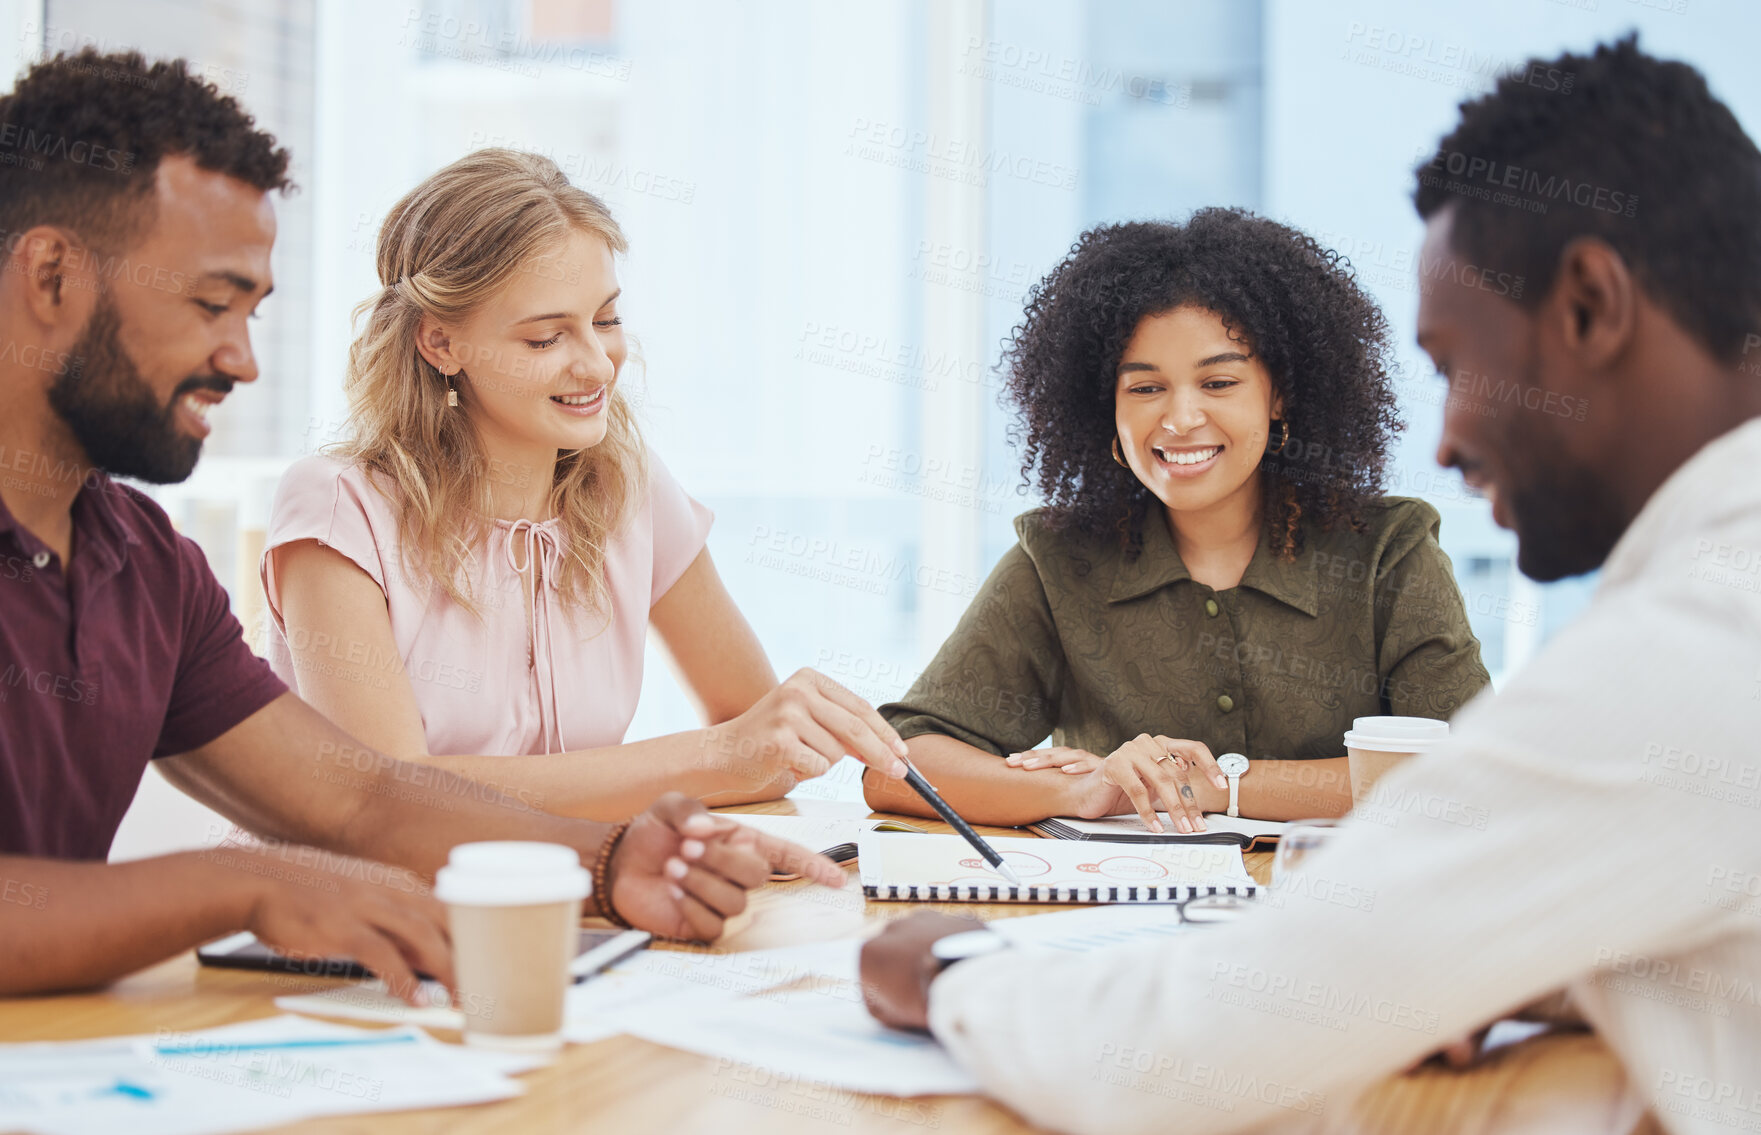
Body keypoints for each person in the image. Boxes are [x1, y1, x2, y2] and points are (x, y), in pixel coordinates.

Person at [863, 35, 1761, 1133]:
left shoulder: (1691, 646)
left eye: (1456, 365)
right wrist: (1483, 959)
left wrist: (953, 977)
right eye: (1143, 387)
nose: (1447, 442)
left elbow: (1187, 1055)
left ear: (1588, 306)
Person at [0, 50, 842, 1001]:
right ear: (53, 275)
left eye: (252, 312)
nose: (242, 361)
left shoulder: (147, 568)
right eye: (208, 304)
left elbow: (360, 793)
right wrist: (244, 880)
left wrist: (608, 861)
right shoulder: (334, 510)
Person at [260, 149, 909, 823]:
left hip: (577, 896)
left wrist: (772, 738)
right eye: (546, 338)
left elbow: (767, 751)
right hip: (350, 915)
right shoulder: (339, 510)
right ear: (440, 344)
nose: (598, 363)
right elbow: (390, 802)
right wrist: (715, 755)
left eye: (605, 319)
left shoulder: (628, 488)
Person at [866, 211, 1490, 833]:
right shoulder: (1059, 561)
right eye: (1144, 389)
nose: (1180, 418)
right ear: (1102, 405)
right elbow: (895, 763)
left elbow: (1473, 774)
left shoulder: (1386, 551)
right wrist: (1085, 789)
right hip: (1127, 920)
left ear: (1280, 396)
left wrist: (1211, 784)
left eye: (1218, 382)